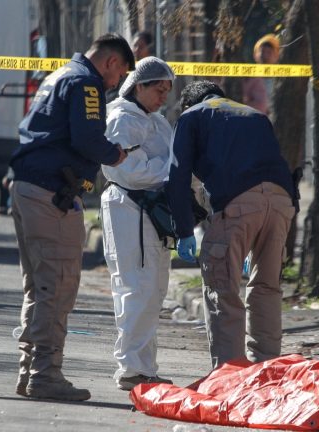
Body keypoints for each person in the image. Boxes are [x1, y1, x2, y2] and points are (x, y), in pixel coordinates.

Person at [9, 33, 132, 401]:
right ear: (111, 62)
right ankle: (45, 374)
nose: (115, 84)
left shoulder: (59, 74)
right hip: (52, 196)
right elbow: (88, 140)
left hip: (28, 188)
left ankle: (30, 370)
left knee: (39, 287)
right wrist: (115, 154)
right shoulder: (86, 83)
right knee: (58, 287)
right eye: (119, 75)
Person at [166, 81, 296, 369]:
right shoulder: (255, 115)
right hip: (281, 203)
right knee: (267, 288)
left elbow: (177, 176)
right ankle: (265, 369)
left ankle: (230, 375)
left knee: (222, 290)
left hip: (237, 205)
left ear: (188, 103)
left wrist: (184, 230)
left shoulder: (192, 116)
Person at [100, 56, 175, 391]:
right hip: (129, 209)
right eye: (158, 89)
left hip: (149, 212)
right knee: (135, 288)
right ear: (139, 86)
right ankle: (131, 367)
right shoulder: (122, 119)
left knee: (153, 290)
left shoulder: (154, 121)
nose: (164, 96)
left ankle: (144, 368)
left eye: (167, 90)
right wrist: (173, 169)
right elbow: (130, 170)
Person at [242, 34, 279, 115]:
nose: (265, 55)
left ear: (277, 56)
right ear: (255, 55)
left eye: (269, 52)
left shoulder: (282, 80)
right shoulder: (247, 79)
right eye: (262, 51)